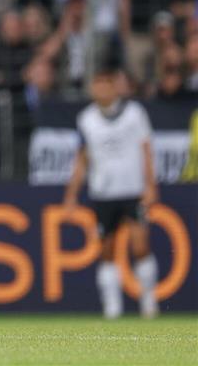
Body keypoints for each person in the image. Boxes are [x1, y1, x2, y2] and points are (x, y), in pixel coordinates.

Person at [63, 65, 159, 319]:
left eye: (105, 83)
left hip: (132, 190)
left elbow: (146, 150)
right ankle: (112, 307)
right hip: (103, 194)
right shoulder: (86, 119)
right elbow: (82, 160)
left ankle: (149, 303)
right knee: (106, 250)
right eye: (96, 84)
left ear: (115, 86)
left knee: (140, 246)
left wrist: (151, 186)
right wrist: (71, 195)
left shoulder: (135, 114)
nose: (100, 89)